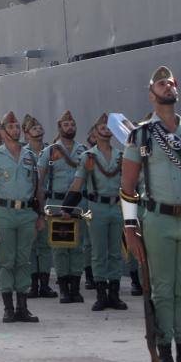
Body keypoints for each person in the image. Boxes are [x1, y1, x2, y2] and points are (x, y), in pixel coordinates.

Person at [122, 66, 181, 362]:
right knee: (163, 291)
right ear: (151, 93)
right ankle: (164, 355)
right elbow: (127, 186)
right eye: (162, 84)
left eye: (172, 83)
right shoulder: (140, 135)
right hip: (157, 219)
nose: (169, 87)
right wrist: (130, 229)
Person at [0, 112, 45, 323]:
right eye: (11, 127)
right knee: (6, 260)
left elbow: (38, 188)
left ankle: (23, 307)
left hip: (27, 213)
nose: (16, 130)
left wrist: (41, 215)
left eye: (18, 127)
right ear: (2, 131)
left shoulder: (30, 156)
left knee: (23, 260)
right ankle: (8, 308)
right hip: (4, 212)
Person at [62, 113, 126, 312]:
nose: (106, 130)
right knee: (98, 252)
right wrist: (67, 207)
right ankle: (101, 294)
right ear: (94, 132)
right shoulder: (88, 157)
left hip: (116, 206)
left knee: (116, 252)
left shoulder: (121, 156)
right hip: (96, 207)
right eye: (102, 127)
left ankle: (114, 294)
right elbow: (78, 183)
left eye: (109, 128)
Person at [38, 111, 88, 303]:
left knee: (77, 246)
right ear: (59, 127)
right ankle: (64, 289)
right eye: (66, 125)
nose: (70, 128)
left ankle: (75, 288)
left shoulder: (83, 151)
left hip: (78, 204)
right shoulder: (50, 152)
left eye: (72, 124)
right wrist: (40, 209)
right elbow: (40, 181)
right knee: (59, 247)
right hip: (56, 203)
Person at [21, 115, 57, 299]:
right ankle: (32, 284)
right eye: (33, 128)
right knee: (30, 245)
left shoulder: (52, 151)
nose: (37, 129)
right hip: (28, 203)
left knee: (44, 244)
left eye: (39, 126)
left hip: (46, 202)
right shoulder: (21, 153)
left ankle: (45, 284)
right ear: (26, 133)